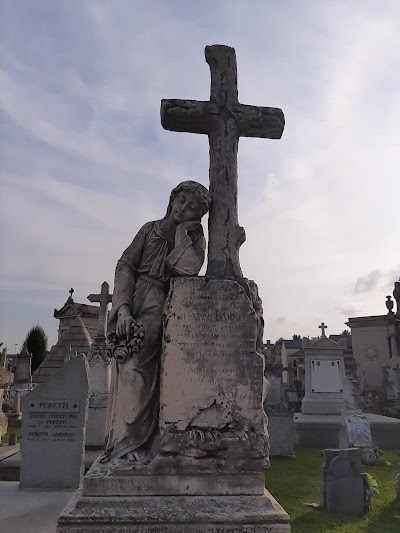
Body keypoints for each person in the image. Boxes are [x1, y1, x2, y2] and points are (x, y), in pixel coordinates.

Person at [104, 180, 210, 464]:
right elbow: (125, 264)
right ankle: (122, 440)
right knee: (126, 360)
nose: (184, 208)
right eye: (182, 200)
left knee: (135, 364)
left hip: (158, 303)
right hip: (133, 297)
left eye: (193, 208)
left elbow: (187, 269)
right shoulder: (149, 229)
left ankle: (131, 442)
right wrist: (123, 308)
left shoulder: (191, 239)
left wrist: (183, 236)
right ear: (173, 199)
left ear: (197, 217)